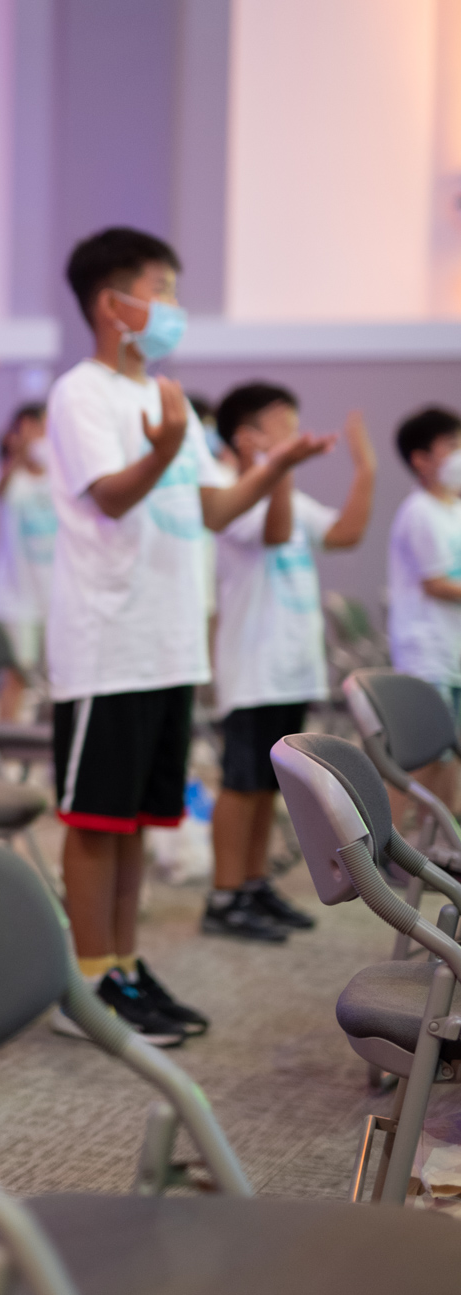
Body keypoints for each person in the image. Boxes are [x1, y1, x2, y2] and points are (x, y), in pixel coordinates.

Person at [46, 228, 331, 1045]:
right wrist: (166, 447)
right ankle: (86, 984)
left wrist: (273, 469)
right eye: (160, 288)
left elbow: (212, 509)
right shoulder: (82, 393)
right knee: (96, 823)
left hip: (168, 645)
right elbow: (109, 496)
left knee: (136, 823)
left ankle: (124, 968)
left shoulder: (162, 395)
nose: (173, 306)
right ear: (113, 304)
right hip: (108, 645)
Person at [204, 383, 375, 942]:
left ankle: (253, 884)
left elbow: (345, 534)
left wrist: (366, 470)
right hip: (254, 666)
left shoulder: (288, 495)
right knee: (241, 783)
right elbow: (275, 534)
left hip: (291, 666)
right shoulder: (232, 493)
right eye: (284, 425)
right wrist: (281, 466)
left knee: (268, 784)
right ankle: (224, 896)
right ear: (246, 437)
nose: (297, 433)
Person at [388, 407, 461, 804]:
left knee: (449, 757)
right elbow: (436, 584)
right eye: (452, 445)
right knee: (423, 760)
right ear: (421, 459)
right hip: (428, 653)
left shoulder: (453, 509)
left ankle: (444, 836)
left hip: (451, 651)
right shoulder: (419, 511)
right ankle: (380, 840)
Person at [0, 402, 56, 720]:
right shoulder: (7, 476)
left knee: (59, 676)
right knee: (17, 674)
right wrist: (18, 454)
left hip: (56, 595)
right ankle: (5, 740)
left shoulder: (59, 475)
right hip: (17, 596)